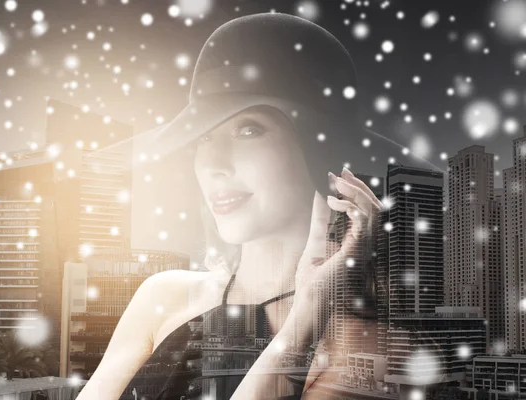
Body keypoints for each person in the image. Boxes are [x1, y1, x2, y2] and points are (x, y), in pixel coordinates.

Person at [76, 12, 385, 400]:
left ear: (321, 152)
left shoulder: (363, 347)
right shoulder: (163, 296)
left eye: (249, 130)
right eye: (203, 138)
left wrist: (310, 308)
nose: (214, 164)